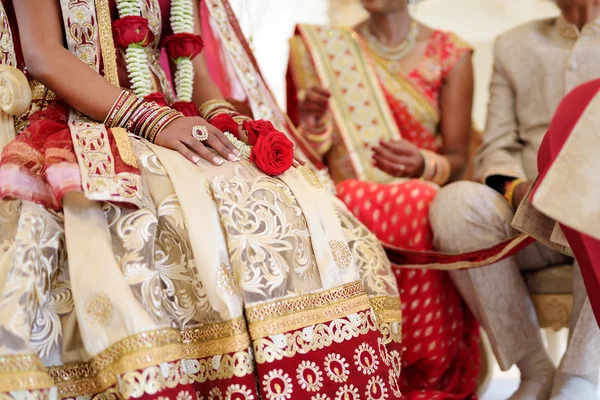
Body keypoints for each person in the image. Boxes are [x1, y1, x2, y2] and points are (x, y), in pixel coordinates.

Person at [0, 0, 404, 399]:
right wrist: (156, 122)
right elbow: (43, 55)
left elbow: (194, 66)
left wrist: (226, 119)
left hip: (170, 123)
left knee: (298, 202)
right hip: (78, 123)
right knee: (160, 229)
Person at [287, 0, 480, 398]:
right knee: (338, 204)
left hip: (421, 199)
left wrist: (421, 164)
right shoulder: (321, 47)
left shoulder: (451, 53)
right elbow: (305, 157)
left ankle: (426, 373)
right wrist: (313, 127)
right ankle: (361, 371)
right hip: (344, 201)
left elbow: (459, 161)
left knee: (415, 200)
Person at [430, 2, 600, 399]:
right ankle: (534, 370)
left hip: (592, 214)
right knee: (453, 204)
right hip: (527, 215)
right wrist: (518, 188)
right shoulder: (514, 44)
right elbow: (496, 147)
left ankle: (580, 378)